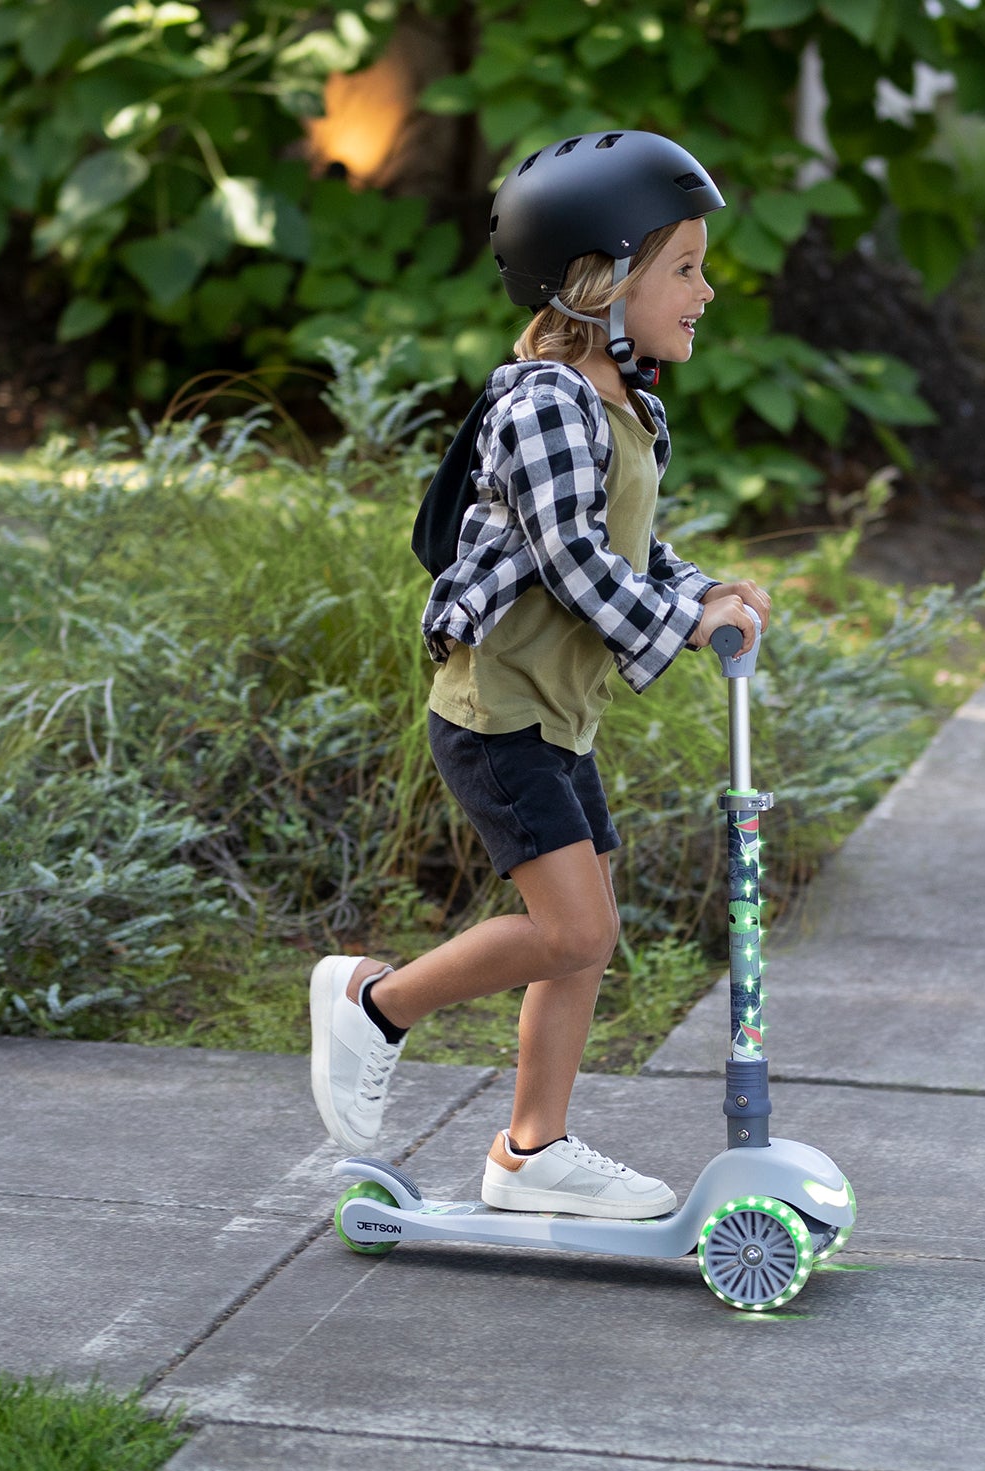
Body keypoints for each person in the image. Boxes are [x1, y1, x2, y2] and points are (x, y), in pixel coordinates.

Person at [309, 130, 770, 1219]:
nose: (707, 291)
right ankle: (377, 1002)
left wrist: (705, 593)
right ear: (601, 282)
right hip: (497, 713)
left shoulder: (621, 395)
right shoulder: (547, 403)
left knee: (584, 933)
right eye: (686, 268)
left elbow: (632, 546)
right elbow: (573, 565)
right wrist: (680, 629)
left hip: (553, 713)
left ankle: (532, 1150)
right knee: (573, 929)